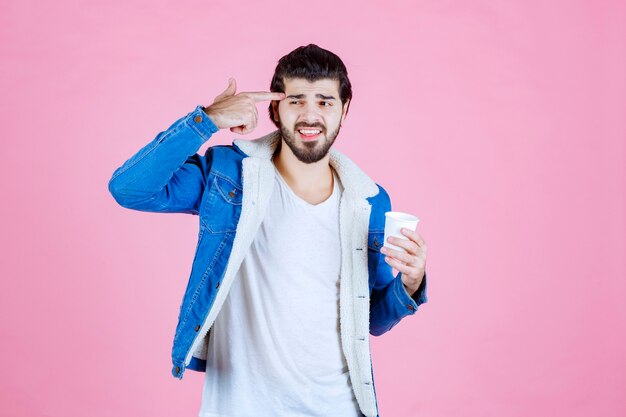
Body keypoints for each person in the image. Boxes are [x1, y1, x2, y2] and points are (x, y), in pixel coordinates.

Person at [108, 44, 429, 417]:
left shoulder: (369, 200)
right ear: (275, 109)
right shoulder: (229, 176)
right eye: (296, 101)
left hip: (339, 406)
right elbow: (130, 188)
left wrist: (410, 284)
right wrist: (207, 120)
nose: (311, 115)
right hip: (242, 406)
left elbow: (371, 319)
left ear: (345, 110)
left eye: (325, 102)